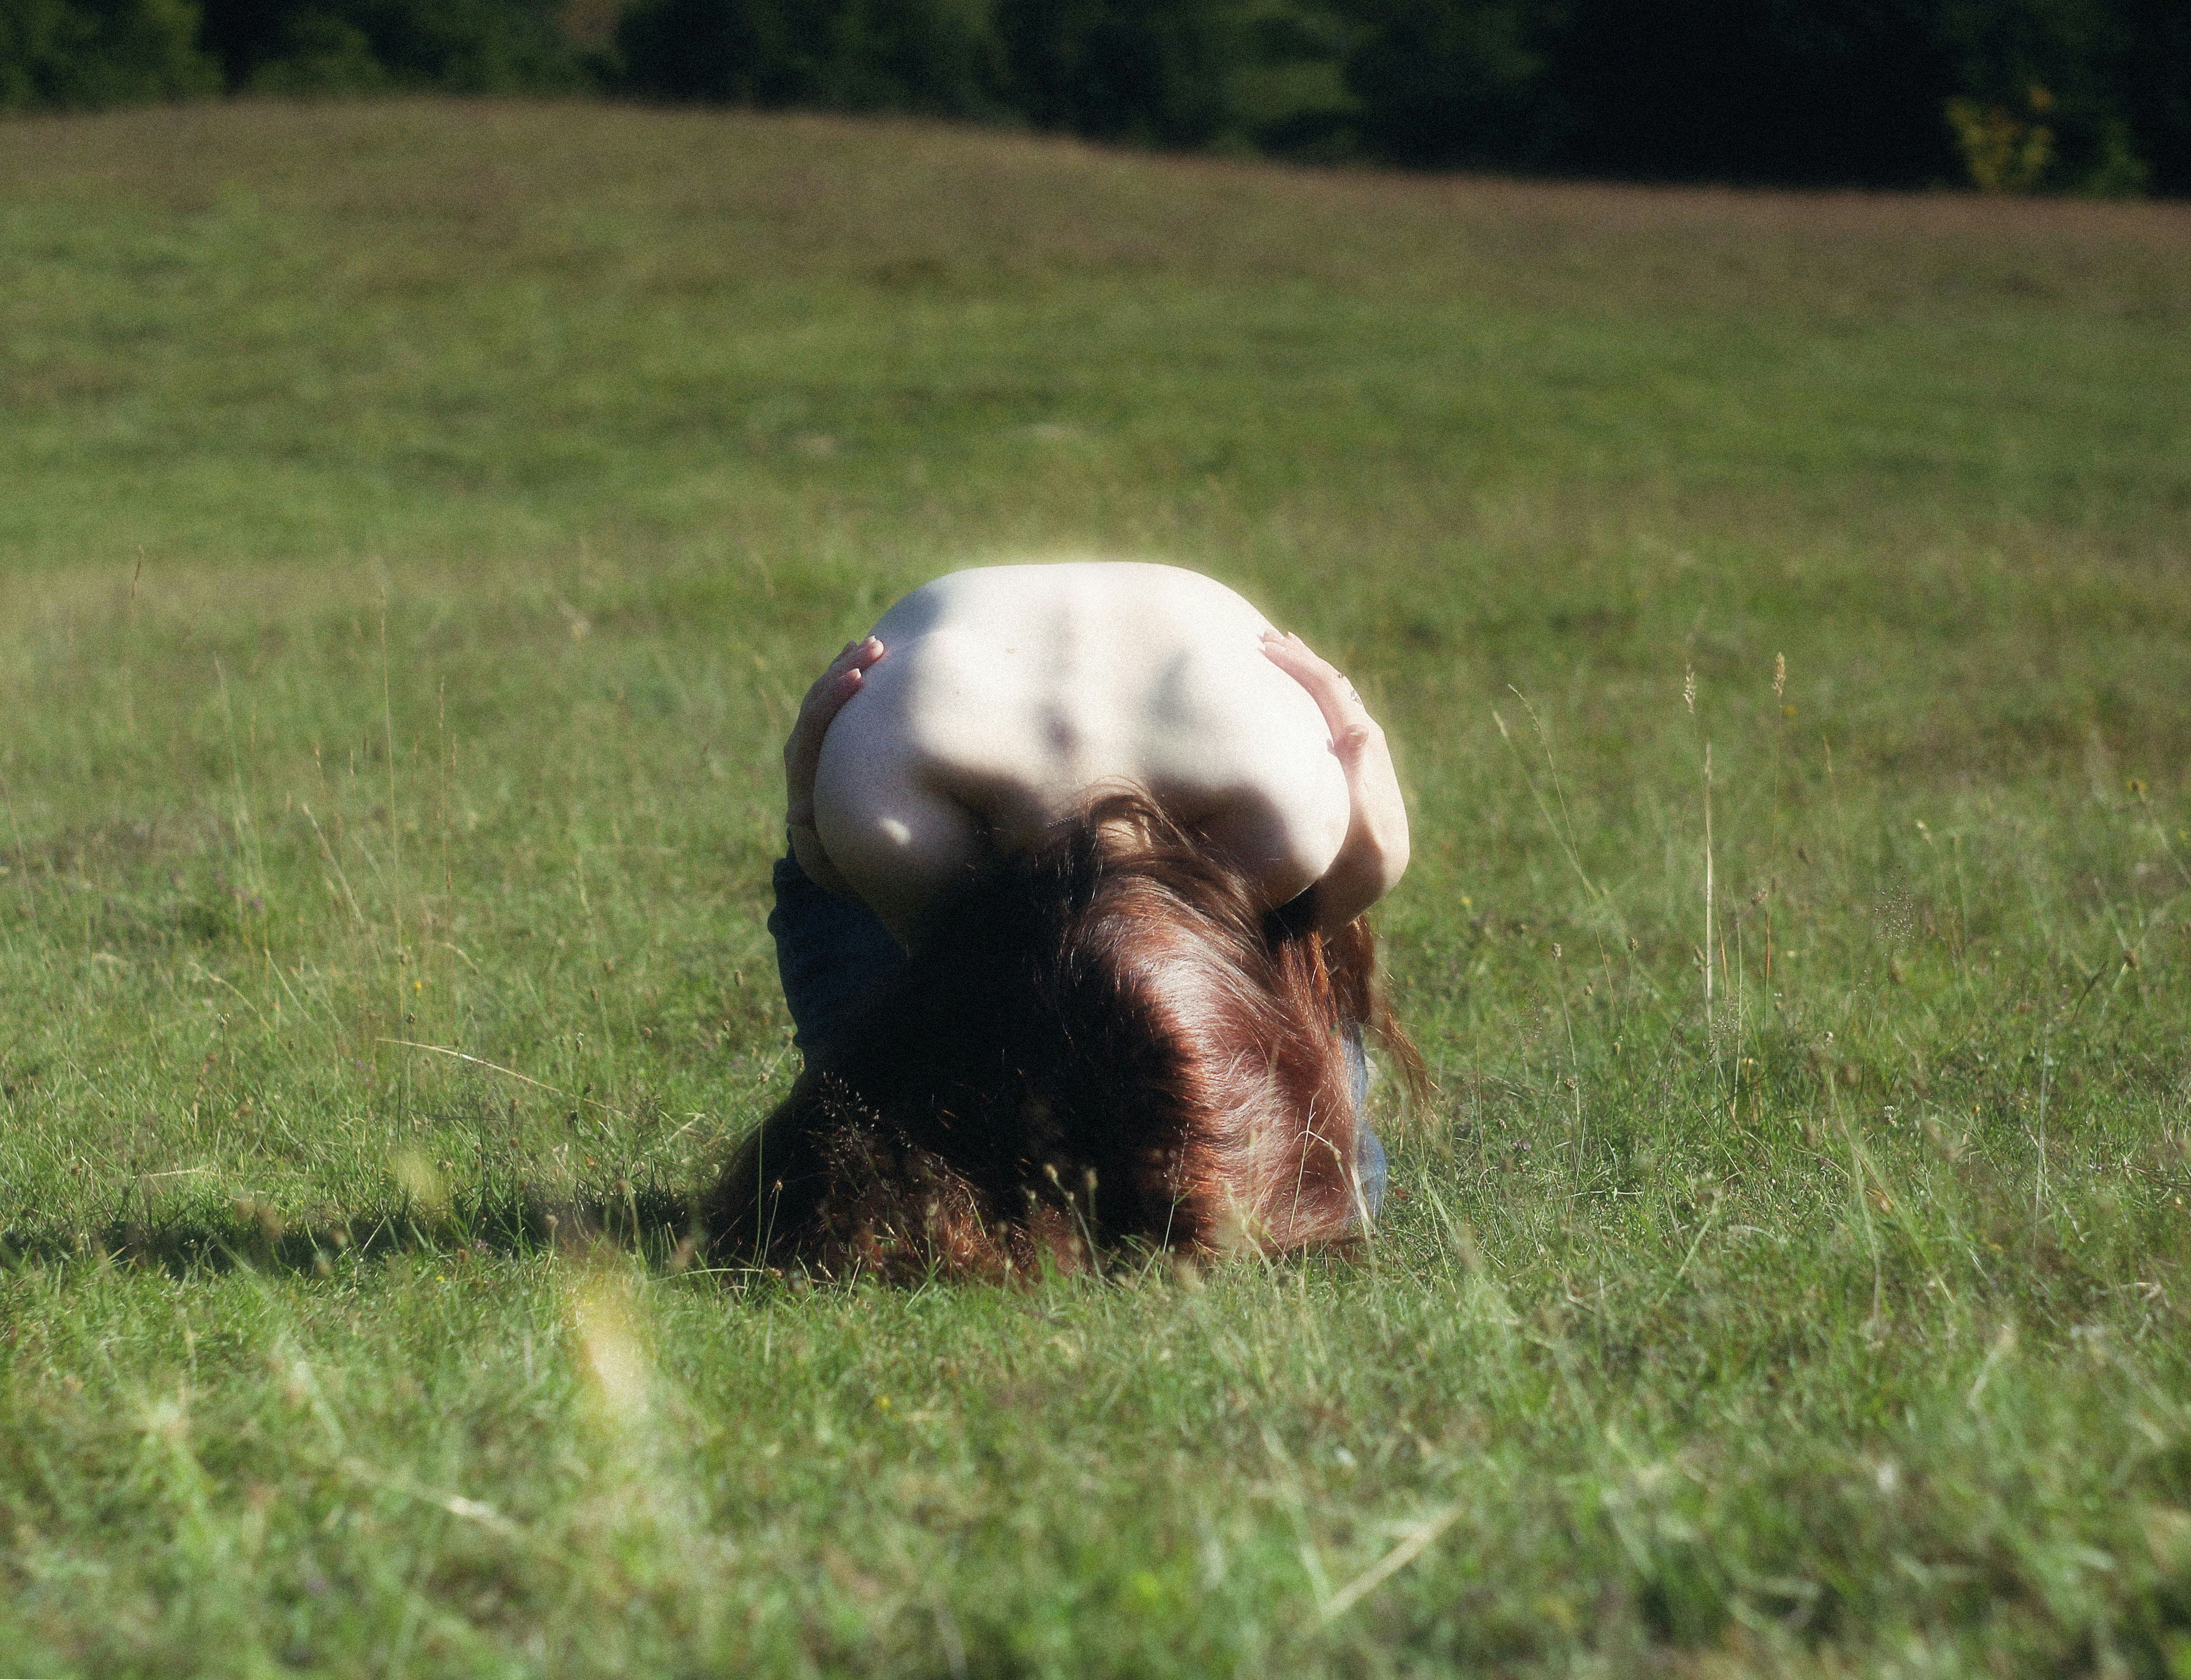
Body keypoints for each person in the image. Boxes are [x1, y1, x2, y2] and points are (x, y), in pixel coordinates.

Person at [704, 561, 1419, 1280]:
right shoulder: (896, 830)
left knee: (1330, 1179)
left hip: (988, 748)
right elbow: (920, 1012)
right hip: (906, 786)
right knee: (1328, 1180)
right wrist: (815, 833)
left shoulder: (1280, 825)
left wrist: (1368, 867)